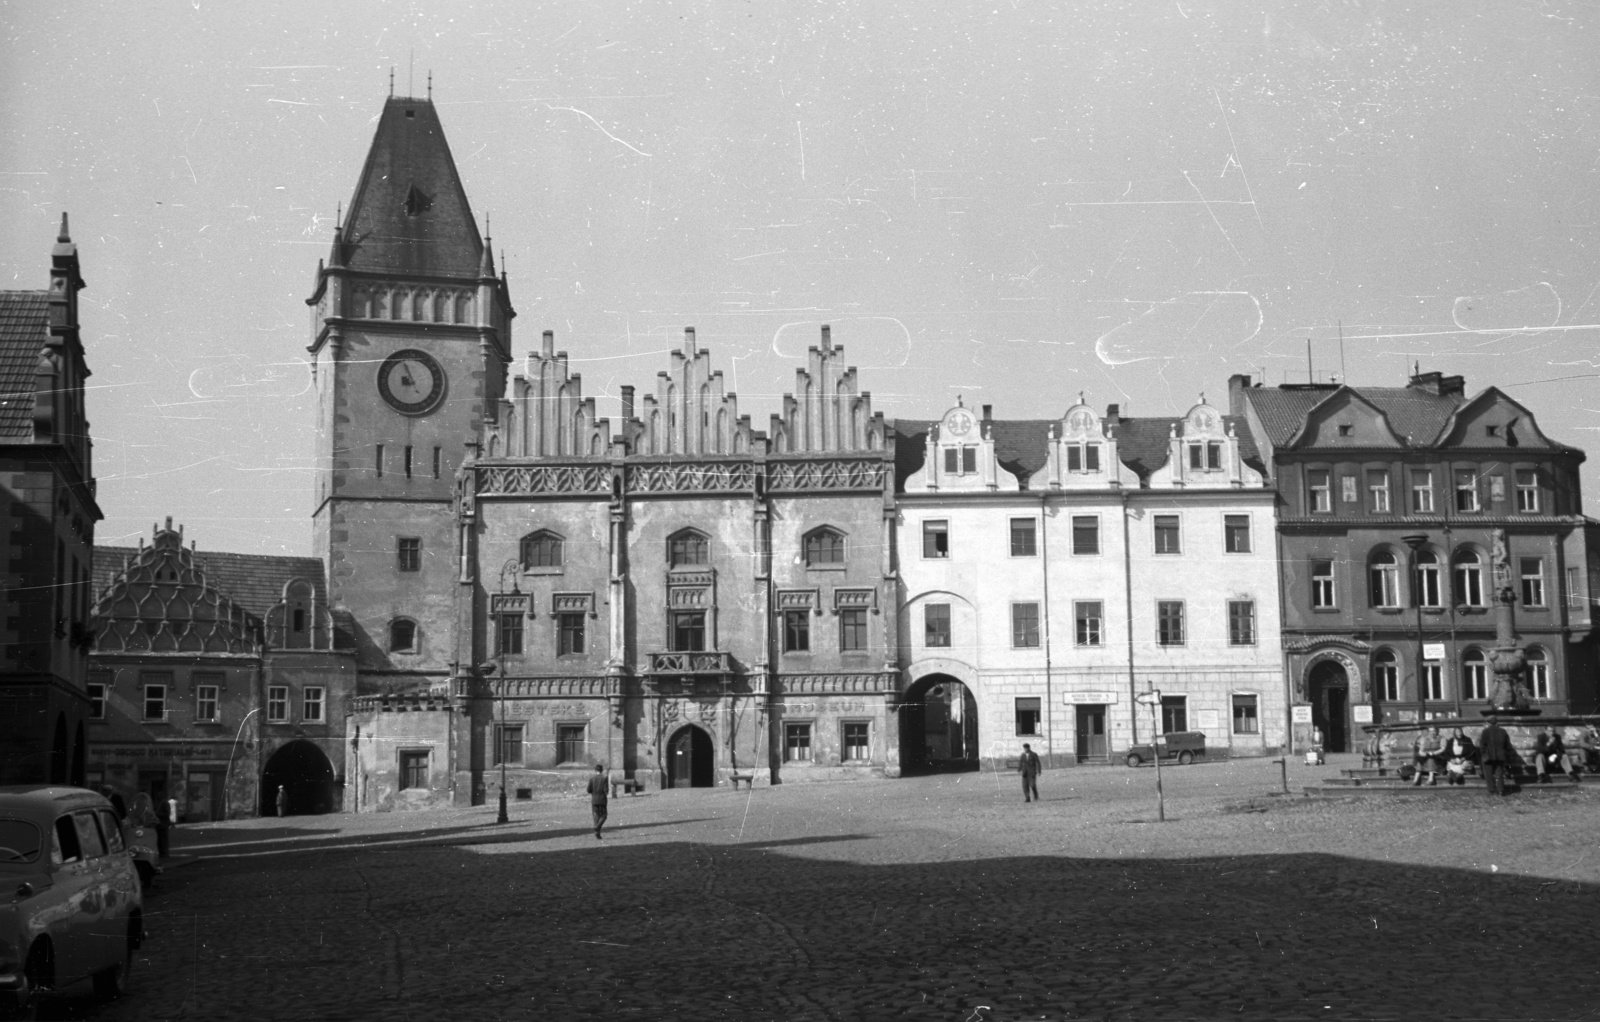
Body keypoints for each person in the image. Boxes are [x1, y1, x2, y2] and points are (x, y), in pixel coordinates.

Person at [1479, 717, 1513, 797]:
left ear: (1489, 723)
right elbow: (1507, 745)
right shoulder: (1503, 731)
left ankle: (1492, 790)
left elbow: (1482, 745)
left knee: (1489, 773)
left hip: (1489, 756)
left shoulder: (1485, 731)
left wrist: (1484, 753)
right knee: (1499, 773)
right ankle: (1500, 790)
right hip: (1500, 756)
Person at [586, 763, 609, 839]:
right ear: (601, 770)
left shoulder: (592, 778)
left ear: (595, 770)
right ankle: (597, 827)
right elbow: (606, 790)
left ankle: (597, 833)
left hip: (594, 800)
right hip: (602, 800)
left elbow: (588, 790)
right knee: (604, 816)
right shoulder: (605, 778)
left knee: (596, 817)